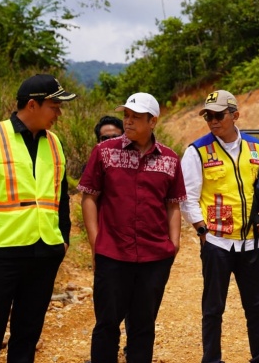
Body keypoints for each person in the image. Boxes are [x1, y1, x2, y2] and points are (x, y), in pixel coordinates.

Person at [0, 74, 76, 362]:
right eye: (54, 106)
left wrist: (64, 239)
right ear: (32, 105)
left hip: (44, 252)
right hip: (0, 255)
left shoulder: (55, 143)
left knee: (28, 334)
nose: (59, 113)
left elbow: (60, 197)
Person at [78, 92, 186, 362]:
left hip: (154, 257)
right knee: (106, 324)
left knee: (143, 326)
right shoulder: (105, 152)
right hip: (112, 254)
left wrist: (174, 244)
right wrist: (96, 243)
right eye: (126, 115)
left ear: (153, 121)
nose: (128, 121)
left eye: (136, 117)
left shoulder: (170, 159)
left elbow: (173, 204)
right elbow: (89, 197)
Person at [181, 89, 259, 363]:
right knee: (213, 309)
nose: (212, 121)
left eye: (218, 115)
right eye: (208, 116)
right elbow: (187, 197)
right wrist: (202, 231)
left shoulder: (256, 148)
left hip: (252, 242)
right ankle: (211, 359)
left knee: (258, 308)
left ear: (235, 115)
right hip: (217, 244)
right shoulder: (197, 151)